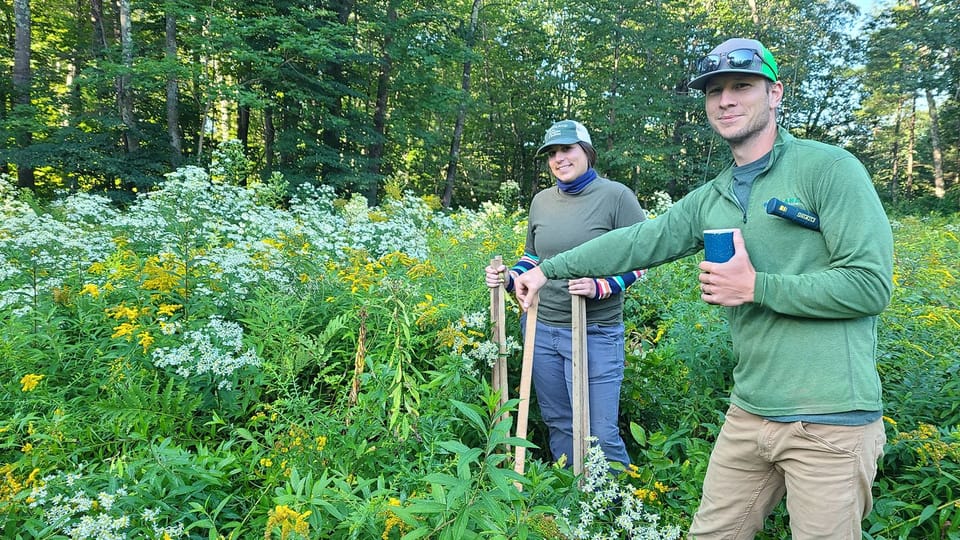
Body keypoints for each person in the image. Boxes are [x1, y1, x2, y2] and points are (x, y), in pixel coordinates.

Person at [513, 38, 893, 539]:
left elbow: (870, 286)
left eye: (742, 86)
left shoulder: (828, 169)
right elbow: (636, 243)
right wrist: (546, 269)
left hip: (831, 420)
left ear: (775, 93)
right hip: (750, 412)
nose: (726, 100)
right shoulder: (712, 196)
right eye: (715, 91)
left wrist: (757, 287)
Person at [486, 119, 648, 468]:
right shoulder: (542, 201)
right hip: (541, 330)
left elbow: (644, 258)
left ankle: (615, 513)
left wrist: (601, 286)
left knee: (599, 432)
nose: (559, 158)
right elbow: (533, 256)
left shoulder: (616, 197)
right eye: (552, 153)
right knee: (559, 422)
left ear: (587, 151)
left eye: (567, 149)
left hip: (594, 333)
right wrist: (510, 278)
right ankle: (573, 499)